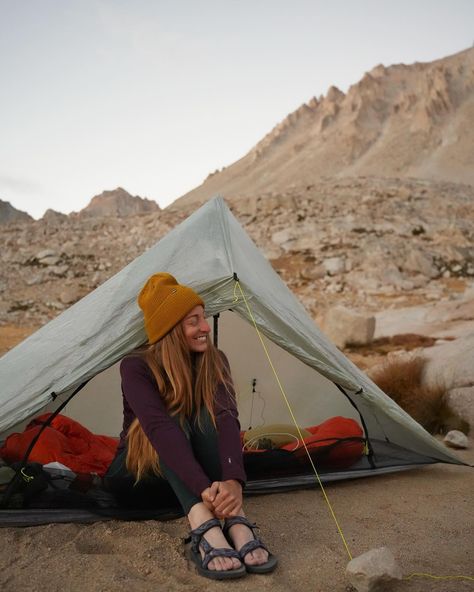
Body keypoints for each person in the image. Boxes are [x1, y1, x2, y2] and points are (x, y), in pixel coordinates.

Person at [105, 273, 277, 580]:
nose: (204, 328)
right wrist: (201, 490)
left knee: (210, 416)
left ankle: (235, 519)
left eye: (203, 318)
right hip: (137, 480)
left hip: (190, 486)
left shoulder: (214, 360)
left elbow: (227, 420)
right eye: (193, 321)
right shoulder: (136, 366)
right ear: (171, 330)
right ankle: (202, 522)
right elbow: (159, 428)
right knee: (168, 420)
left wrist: (234, 482)